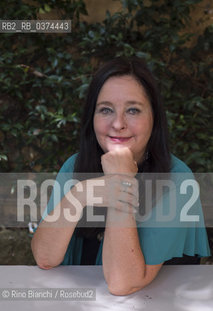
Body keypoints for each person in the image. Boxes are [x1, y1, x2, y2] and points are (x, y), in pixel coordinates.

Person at [31, 57, 210, 296]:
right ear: (91, 118)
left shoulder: (178, 180)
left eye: (133, 110)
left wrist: (120, 181)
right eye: (106, 110)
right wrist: (81, 193)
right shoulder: (75, 166)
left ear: (154, 118)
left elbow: (122, 283)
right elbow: (45, 257)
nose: (118, 124)